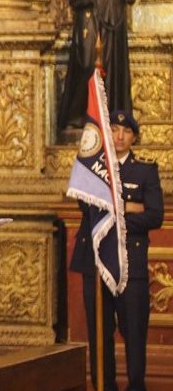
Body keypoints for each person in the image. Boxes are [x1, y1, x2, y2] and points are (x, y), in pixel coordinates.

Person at [70, 110, 163, 391]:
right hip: (95, 261)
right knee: (99, 332)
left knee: (134, 331)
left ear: (134, 137)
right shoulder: (92, 167)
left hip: (129, 263)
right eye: (114, 130)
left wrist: (113, 211)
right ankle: (103, 386)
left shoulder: (146, 170)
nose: (120, 136)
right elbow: (86, 207)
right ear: (105, 134)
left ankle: (136, 386)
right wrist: (127, 207)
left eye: (126, 132)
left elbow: (154, 216)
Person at [58, 0, 137, 132]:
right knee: (87, 63)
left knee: (113, 66)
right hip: (90, 16)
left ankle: (113, 118)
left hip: (114, 18)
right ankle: (80, 117)